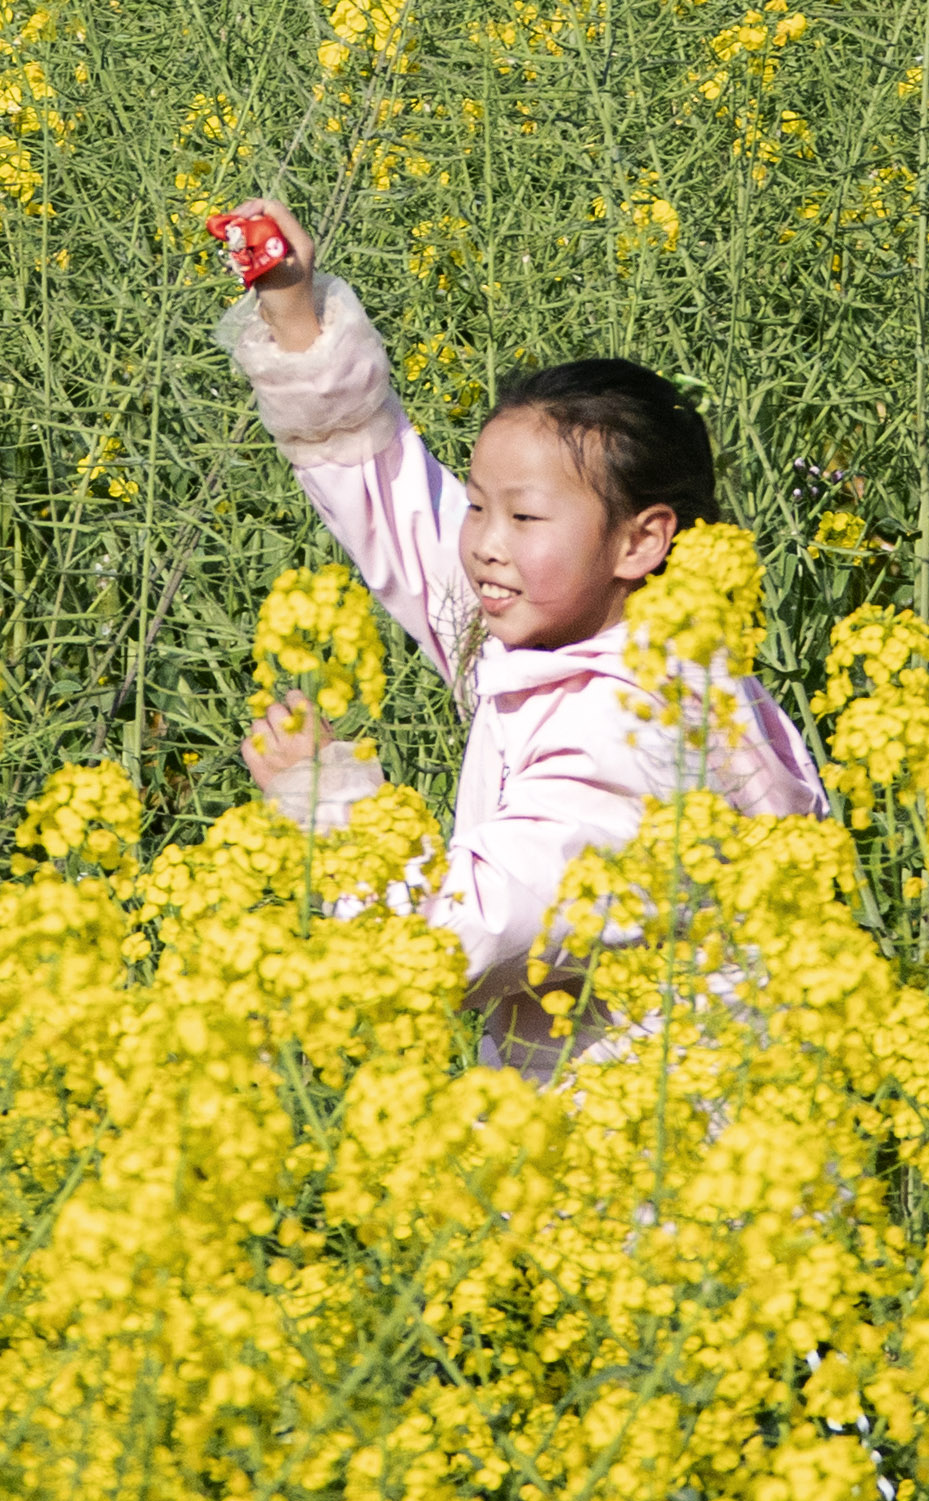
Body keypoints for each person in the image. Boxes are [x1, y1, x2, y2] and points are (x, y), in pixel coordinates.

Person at [214, 200, 827, 1077]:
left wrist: (332, 807)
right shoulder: (558, 629)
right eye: (476, 504)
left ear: (640, 540)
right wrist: (291, 305)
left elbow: (455, 942)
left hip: (653, 1184)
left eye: (524, 514)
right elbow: (391, 499)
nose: (484, 542)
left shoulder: (637, 735)